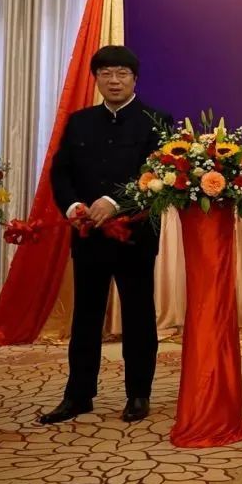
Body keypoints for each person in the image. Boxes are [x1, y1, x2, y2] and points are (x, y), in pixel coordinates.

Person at [41, 45, 172, 424]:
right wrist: (72, 207)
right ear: (96, 79)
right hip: (88, 235)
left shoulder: (156, 121)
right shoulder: (79, 122)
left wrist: (114, 202)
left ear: (135, 79)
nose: (114, 81)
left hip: (134, 236)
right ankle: (78, 395)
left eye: (122, 74)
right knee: (86, 316)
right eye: (106, 74)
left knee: (138, 315)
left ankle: (138, 394)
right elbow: (61, 172)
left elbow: (156, 175)